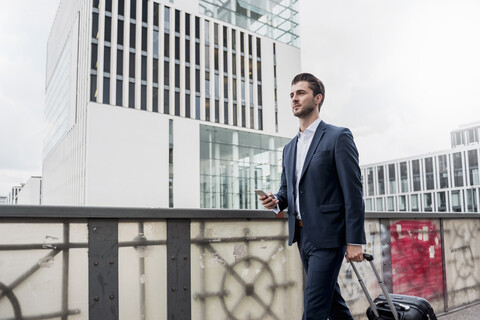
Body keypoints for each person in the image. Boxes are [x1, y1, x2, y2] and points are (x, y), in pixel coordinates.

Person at [260, 73, 366, 320]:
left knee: (314, 309)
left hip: (329, 237)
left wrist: (354, 240)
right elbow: (288, 190)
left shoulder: (338, 137)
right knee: (333, 304)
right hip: (301, 235)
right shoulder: (289, 148)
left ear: (317, 98)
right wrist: (276, 200)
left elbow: (353, 192)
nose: (294, 99)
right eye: (291, 95)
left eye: (300, 93)